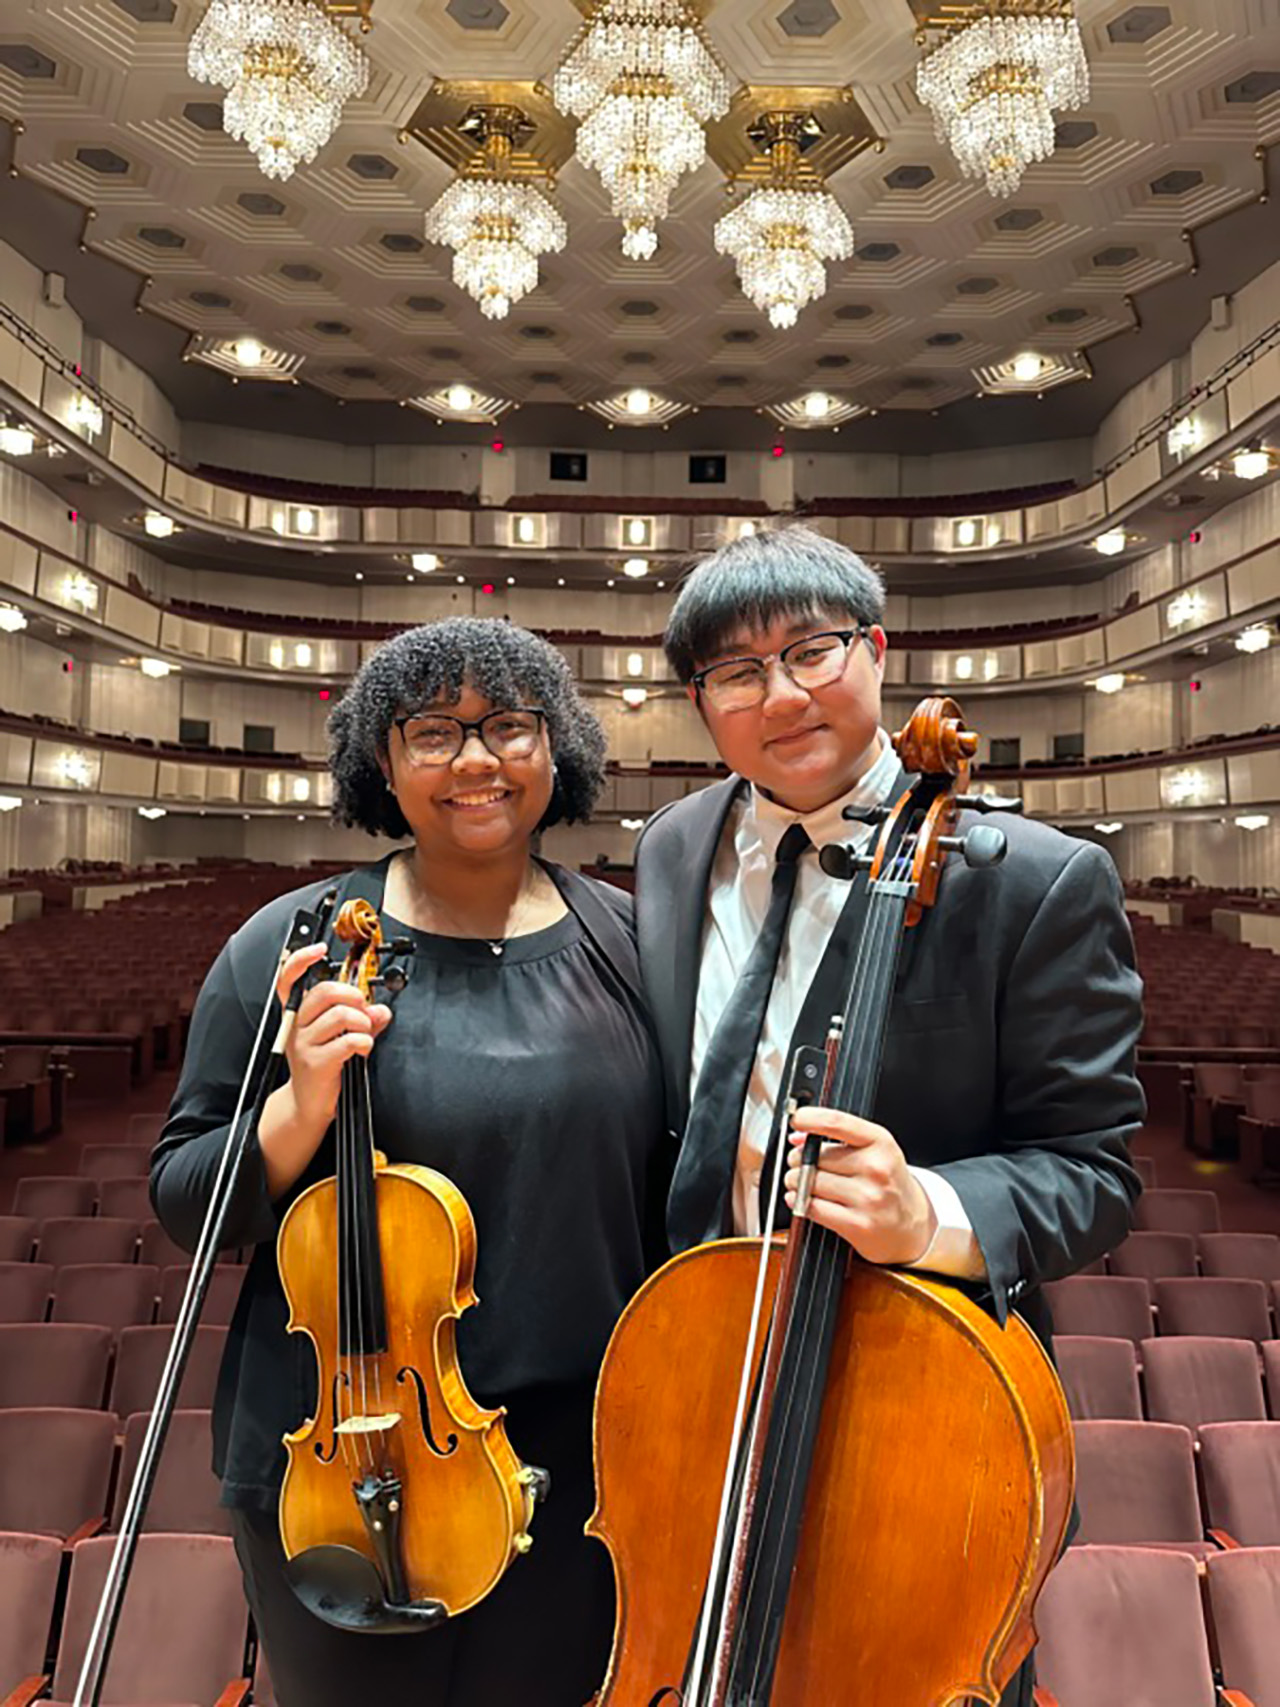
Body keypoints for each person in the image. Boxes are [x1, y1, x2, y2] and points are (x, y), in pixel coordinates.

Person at [633, 525, 1144, 1707]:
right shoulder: (668, 850)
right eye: (736, 672)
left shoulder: (1032, 879)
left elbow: (1094, 1169)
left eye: (812, 651)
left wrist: (931, 1210)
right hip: (693, 1380)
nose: (783, 693)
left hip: (912, 1398)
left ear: (874, 648)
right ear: (700, 703)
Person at [151, 617, 667, 1707]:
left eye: (509, 728)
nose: (475, 761)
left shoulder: (631, 944)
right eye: (432, 730)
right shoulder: (291, 945)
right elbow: (189, 1202)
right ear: (379, 761)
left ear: (555, 748)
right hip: (345, 1462)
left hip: (577, 1467)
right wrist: (298, 1108)